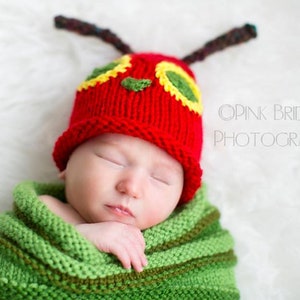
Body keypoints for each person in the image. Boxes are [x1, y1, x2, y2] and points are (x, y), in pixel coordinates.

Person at [0, 16, 256, 299]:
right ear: (67, 165)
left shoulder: (195, 244)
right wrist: (83, 234)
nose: (131, 186)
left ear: (182, 195)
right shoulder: (45, 212)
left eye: (160, 178)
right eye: (112, 160)